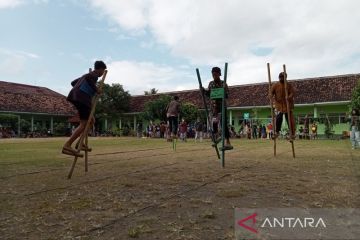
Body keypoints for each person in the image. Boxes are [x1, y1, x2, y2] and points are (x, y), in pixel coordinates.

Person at [62, 60, 106, 156]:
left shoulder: (85, 76)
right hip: (82, 98)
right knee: (84, 123)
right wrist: (96, 90)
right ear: (100, 69)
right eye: (103, 71)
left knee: (91, 121)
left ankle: (80, 143)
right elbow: (89, 78)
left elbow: (73, 83)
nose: (103, 73)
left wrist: (81, 87)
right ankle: (67, 145)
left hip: (76, 96)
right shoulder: (93, 75)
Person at [202, 67, 233, 150]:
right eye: (213, 75)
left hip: (222, 106)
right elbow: (208, 94)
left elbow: (227, 95)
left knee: (223, 123)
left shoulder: (223, 83)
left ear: (219, 74)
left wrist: (221, 92)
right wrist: (203, 91)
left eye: (215, 74)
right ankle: (216, 138)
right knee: (214, 123)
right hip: (214, 107)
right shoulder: (211, 84)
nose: (214, 76)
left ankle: (228, 142)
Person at [270, 72, 296, 141]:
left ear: (285, 78)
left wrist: (289, 97)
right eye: (280, 77)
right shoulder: (275, 85)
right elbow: (271, 93)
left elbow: (292, 93)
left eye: (283, 77)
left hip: (287, 105)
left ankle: (292, 134)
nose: (281, 78)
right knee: (278, 118)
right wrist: (271, 97)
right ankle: (276, 132)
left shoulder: (288, 85)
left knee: (290, 120)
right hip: (279, 105)